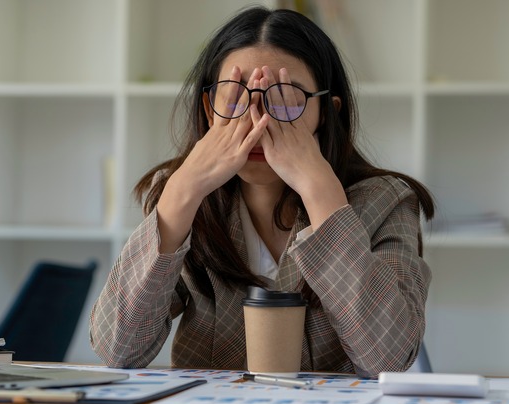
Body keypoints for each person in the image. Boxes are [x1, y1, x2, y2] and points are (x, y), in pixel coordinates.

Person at [90, 6, 434, 377]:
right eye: (235, 96)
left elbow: (388, 359)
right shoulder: (184, 199)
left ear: (327, 113)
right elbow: (117, 350)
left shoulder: (387, 201)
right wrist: (182, 191)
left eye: (284, 98)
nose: (257, 120)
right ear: (209, 110)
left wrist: (322, 194)